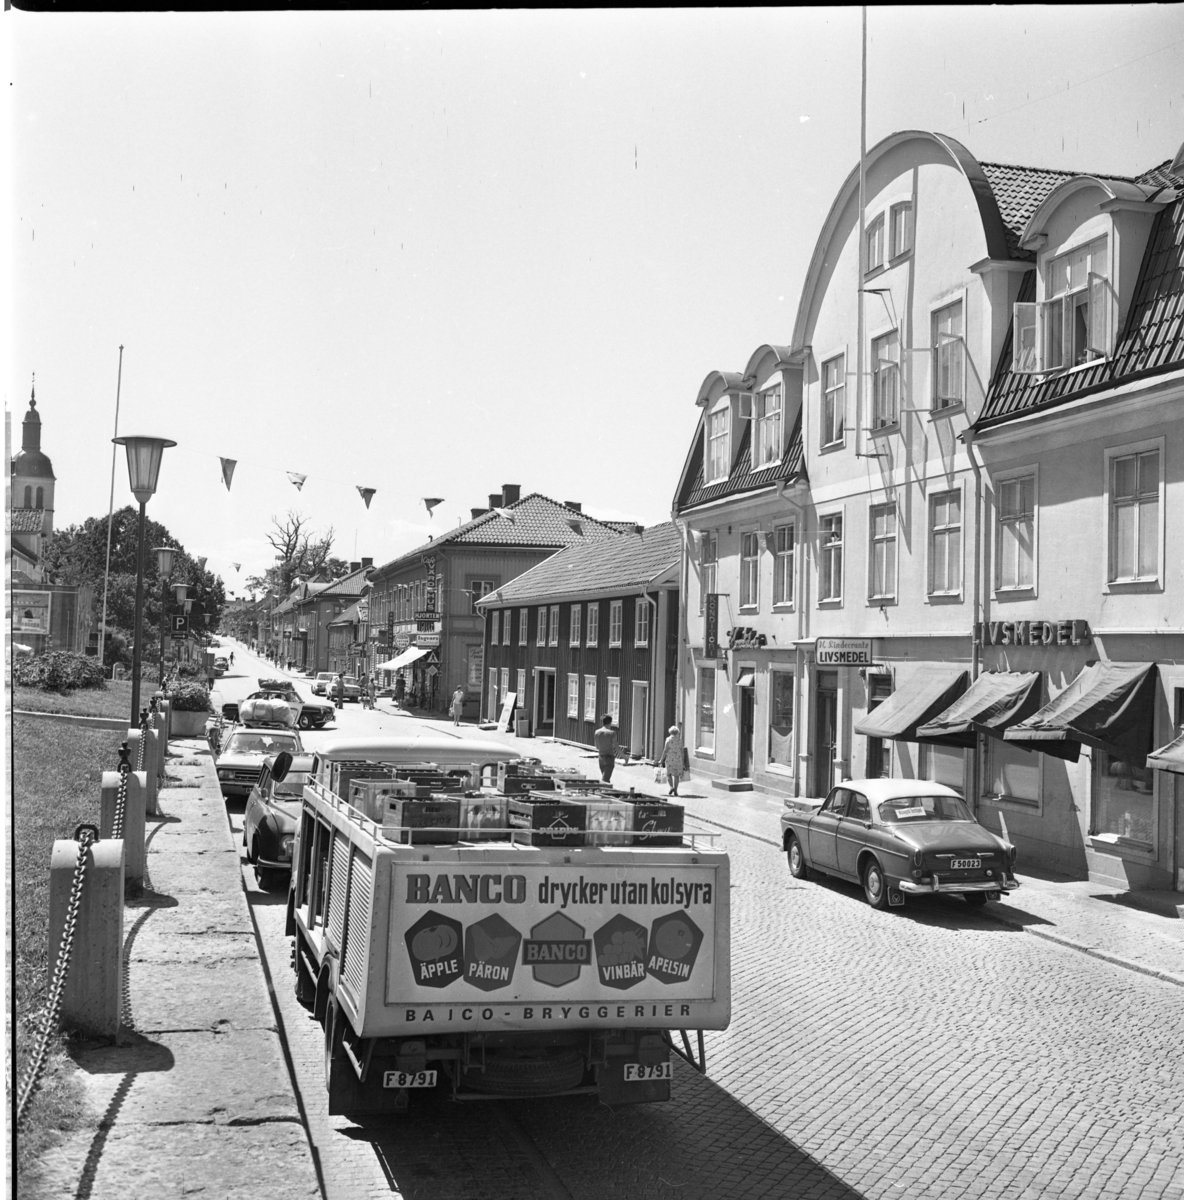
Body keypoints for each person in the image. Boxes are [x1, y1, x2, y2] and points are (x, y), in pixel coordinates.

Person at [658, 725, 684, 796]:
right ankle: (675, 790)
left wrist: (661, 760)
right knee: (676, 776)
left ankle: (671, 787)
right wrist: (683, 761)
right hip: (678, 759)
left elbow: (665, 750)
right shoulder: (679, 740)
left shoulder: (668, 739)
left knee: (668, 774)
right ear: (677, 732)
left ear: (670, 732)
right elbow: (682, 751)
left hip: (669, 759)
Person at [593, 714, 618, 784]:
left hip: (601, 757)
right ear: (610, 722)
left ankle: (606, 792)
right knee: (605, 780)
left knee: (606, 778)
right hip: (609, 758)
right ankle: (602, 793)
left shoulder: (597, 732)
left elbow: (597, 747)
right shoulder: (612, 733)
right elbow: (616, 747)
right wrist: (625, 757)